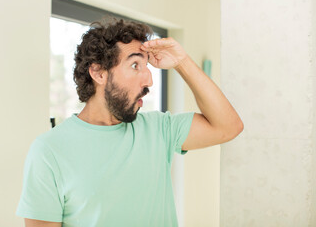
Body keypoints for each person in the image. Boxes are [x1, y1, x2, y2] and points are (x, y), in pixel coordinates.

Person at [16, 18, 243, 227]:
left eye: (147, 67)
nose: (149, 79)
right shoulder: (49, 151)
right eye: (135, 66)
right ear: (98, 72)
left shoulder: (159, 130)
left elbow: (228, 126)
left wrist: (182, 62)